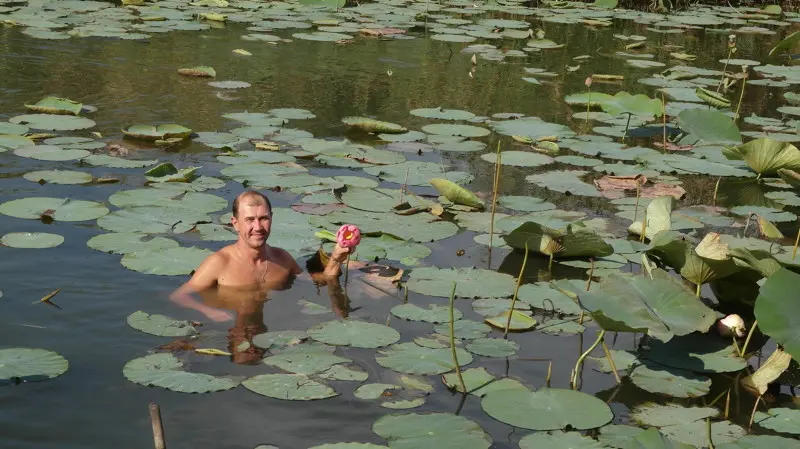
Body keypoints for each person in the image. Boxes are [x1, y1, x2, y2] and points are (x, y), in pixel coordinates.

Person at [169, 189, 352, 323]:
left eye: (263, 218)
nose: (258, 227)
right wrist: (208, 312)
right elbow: (179, 296)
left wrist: (336, 258)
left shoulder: (281, 259)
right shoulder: (218, 263)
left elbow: (316, 281)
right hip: (225, 322)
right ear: (236, 223)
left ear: (271, 218)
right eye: (249, 220)